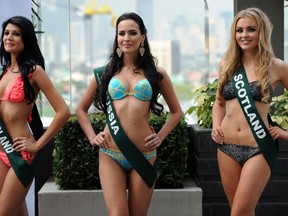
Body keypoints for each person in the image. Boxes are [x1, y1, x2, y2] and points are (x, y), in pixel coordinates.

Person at [76, 12, 182, 216]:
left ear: (142, 36)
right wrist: (92, 136)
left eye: (132, 33)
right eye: (121, 33)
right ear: (116, 37)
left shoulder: (156, 74)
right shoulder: (105, 73)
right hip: (110, 153)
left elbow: (176, 112)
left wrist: (160, 136)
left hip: (144, 154)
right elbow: (81, 110)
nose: (126, 38)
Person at [211, 7, 288, 216]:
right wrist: (215, 126)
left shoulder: (277, 67)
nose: (244, 35)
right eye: (239, 30)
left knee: (240, 212)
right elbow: (219, 103)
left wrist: (284, 133)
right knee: (242, 210)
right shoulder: (226, 65)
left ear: (261, 32)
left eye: (251, 29)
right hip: (226, 147)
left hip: (259, 147)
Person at [0, 16, 70, 216]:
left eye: (16, 34)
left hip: (22, 153)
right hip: (1, 149)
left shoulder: (34, 72)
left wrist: (38, 145)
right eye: (6, 33)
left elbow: (63, 112)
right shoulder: (3, 73)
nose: (9, 37)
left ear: (26, 39)